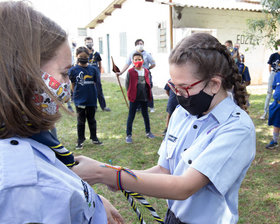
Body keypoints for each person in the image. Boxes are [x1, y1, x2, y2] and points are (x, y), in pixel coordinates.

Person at [73, 33, 256, 224]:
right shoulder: (182, 113)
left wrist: (107, 174)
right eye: (174, 86)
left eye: (184, 87)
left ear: (213, 84)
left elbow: (184, 186)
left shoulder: (237, 129)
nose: (178, 95)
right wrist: (114, 172)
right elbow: (164, 171)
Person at [0, 1, 124, 224]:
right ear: (22, 72)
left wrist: (93, 200)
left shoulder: (33, 137)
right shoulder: (23, 184)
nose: (68, 85)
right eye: (65, 74)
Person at [69, 46, 103, 149]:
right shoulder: (73, 70)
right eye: (80, 56)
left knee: (92, 119)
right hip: (79, 99)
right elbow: (73, 84)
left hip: (91, 99)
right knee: (81, 121)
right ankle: (80, 140)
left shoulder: (93, 69)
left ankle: (94, 138)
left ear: (88, 56)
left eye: (85, 56)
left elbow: (97, 83)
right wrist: (74, 95)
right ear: (77, 56)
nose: (83, 58)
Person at [116, 39, 156, 112]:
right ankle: (138, 107)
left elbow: (153, 64)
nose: (140, 45)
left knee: (147, 89)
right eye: (138, 43)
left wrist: (147, 69)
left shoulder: (147, 54)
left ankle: (150, 106)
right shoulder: (132, 54)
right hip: (135, 74)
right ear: (135, 45)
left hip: (145, 74)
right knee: (136, 89)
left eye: (141, 43)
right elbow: (127, 64)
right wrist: (121, 72)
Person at [124, 52, 155, 143]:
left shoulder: (146, 71)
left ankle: (148, 132)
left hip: (144, 97)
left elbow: (148, 82)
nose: (138, 61)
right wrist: (130, 94)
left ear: (143, 60)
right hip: (134, 98)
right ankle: (128, 135)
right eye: (136, 60)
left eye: (139, 59)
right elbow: (127, 84)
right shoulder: (130, 72)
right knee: (131, 116)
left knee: (145, 115)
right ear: (133, 61)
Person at [85, 36, 111, 112]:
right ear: (85, 43)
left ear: (93, 43)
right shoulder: (83, 53)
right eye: (87, 42)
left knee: (99, 90)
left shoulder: (96, 53)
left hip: (96, 75)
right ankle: (93, 107)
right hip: (87, 75)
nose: (89, 43)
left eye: (90, 42)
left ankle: (104, 106)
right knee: (90, 91)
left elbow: (100, 64)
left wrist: (99, 73)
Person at [260, 39, 280, 120]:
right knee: (269, 93)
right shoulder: (273, 55)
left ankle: (276, 113)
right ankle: (265, 112)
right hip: (273, 74)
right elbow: (269, 65)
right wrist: (271, 75)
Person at [266, 70, 280, 149]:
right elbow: (274, 86)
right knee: (276, 123)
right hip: (277, 103)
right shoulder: (278, 74)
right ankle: (275, 141)